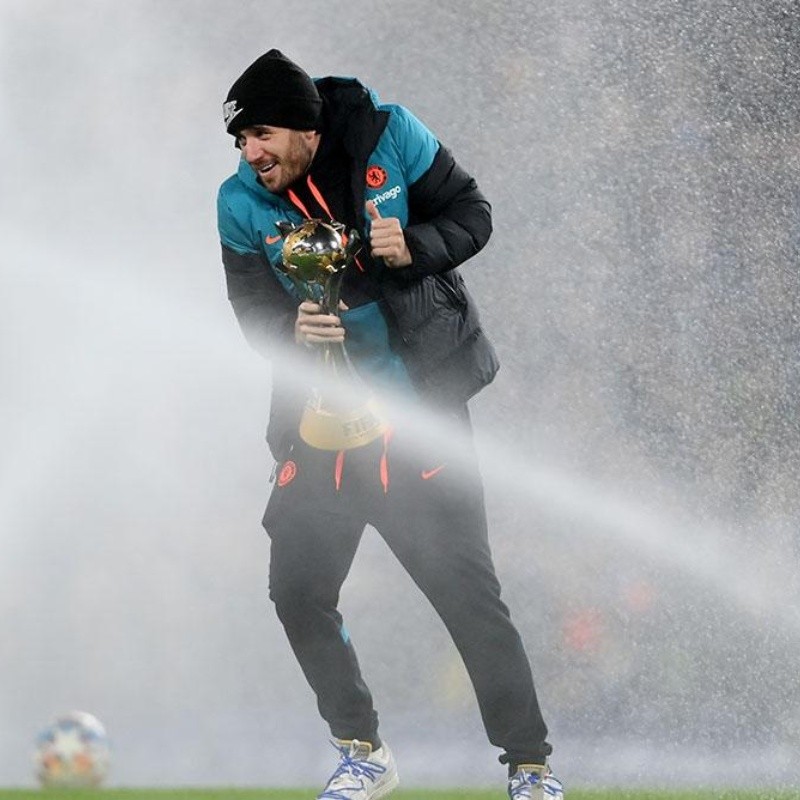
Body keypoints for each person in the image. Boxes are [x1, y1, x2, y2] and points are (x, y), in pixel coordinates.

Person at [216, 49, 563, 800]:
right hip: (318, 427)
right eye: (241, 142)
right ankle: (362, 753)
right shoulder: (237, 201)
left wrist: (415, 247)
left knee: (468, 596)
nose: (250, 154)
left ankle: (530, 768)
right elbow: (252, 312)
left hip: (418, 418)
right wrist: (294, 329)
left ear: (307, 128)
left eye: (261, 135)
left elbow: (474, 214)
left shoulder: (392, 134)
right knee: (296, 591)